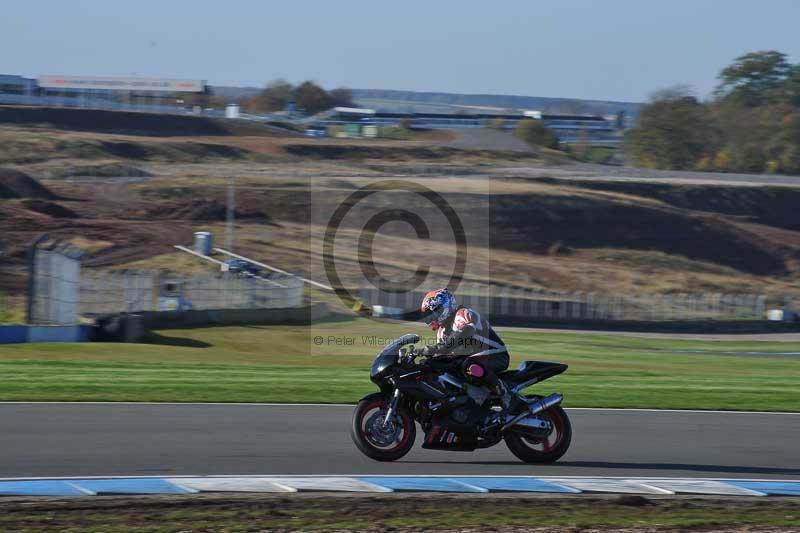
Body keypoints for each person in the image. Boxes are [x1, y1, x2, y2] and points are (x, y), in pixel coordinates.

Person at [418, 288, 512, 410]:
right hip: (472, 360)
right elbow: (443, 355)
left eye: (435, 311)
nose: (432, 317)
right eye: (429, 314)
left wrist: (436, 349)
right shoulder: (442, 332)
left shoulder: (463, 313)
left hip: (496, 356)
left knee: (470, 366)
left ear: (446, 305)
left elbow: (465, 332)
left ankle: (504, 393)